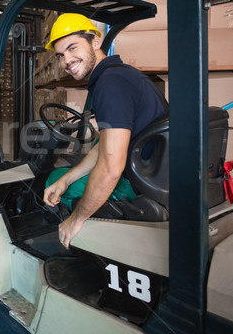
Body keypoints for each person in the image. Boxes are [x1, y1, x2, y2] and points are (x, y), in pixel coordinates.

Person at [42, 13, 167, 248]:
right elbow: (105, 147)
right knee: (60, 180)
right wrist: (67, 180)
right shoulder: (119, 75)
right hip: (149, 170)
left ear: (95, 42)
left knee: (54, 181)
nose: (66, 61)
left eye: (72, 48)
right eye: (60, 55)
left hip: (138, 182)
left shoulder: (110, 84)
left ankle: (79, 245)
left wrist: (75, 219)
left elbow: (110, 168)